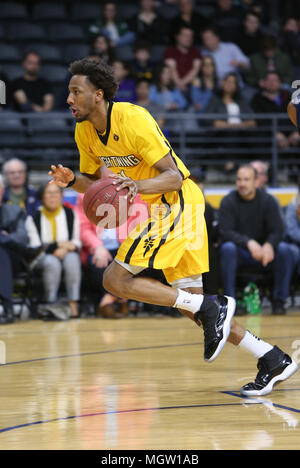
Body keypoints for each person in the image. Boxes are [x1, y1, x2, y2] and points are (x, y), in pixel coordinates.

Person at [48, 58, 297, 396]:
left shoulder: (133, 119)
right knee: (193, 306)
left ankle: (214, 308)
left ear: (98, 94)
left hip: (176, 202)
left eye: (76, 92)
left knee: (115, 280)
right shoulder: (84, 132)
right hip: (161, 208)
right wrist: (70, 180)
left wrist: (138, 188)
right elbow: (93, 185)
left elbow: (174, 175)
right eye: (69, 92)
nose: (69, 99)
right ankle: (271, 358)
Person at [218, 164, 295, 315]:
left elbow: (278, 230)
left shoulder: (269, 201)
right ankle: (230, 302)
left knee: (285, 250)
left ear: (256, 181)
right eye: (239, 179)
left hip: (266, 254)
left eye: (246, 179)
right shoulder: (228, 201)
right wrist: (249, 242)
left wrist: (269, 245)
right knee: (227, 248)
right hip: (241, 253)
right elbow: (225, 231)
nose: (242, 183)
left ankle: (279, 301)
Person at [76, 192, 148, 318]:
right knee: (99, 262)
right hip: (97, 246)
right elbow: (83, 227)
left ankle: (110, 299)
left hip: (125, 244)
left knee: (128, 263)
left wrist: (129, 246)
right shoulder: (85, 194)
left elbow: (141, 223)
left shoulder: (133, 192)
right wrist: (97, 246)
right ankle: (120, 300)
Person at [25, 183, 82, 319]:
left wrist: (66, 247)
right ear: (42, 197)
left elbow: (76, 241)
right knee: (52, 262)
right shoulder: (33, 218)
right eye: (48, 193)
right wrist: (60, 248)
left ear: (62, 196)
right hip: (41, 258)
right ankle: (51, 304)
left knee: (73, 259)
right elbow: (37, 247)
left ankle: (73, 303)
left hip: (67, 254)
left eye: (56, 193)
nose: (52, 197)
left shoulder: (70, 214)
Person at [0, 174, 28, 324]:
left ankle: (7, 306)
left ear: (3, 191)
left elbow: (23, 238)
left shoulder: (14, 211)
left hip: (14, 261)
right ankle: (8, 308)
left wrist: (6, 238)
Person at [251, 71, 299, 148]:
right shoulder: (257, 99)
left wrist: (296, 131)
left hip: (291, 133)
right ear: (263, 83)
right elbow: (259, 120)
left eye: (275, 80)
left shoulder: (289, 96)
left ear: (280, 83)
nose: (272, 83)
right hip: (267, 134)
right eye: (269, 80)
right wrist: (274, 133)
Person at [164, 26, 202, 93]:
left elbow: (196, 69)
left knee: (197, 81)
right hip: (173, 84)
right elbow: (171, 68)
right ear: (177, 37)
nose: (189, 38)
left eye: (191, 36)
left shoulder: (196, 52)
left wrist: (182, 83)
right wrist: (179, 83)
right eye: (185, 35)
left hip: (191, 85)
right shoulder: (170, 51)